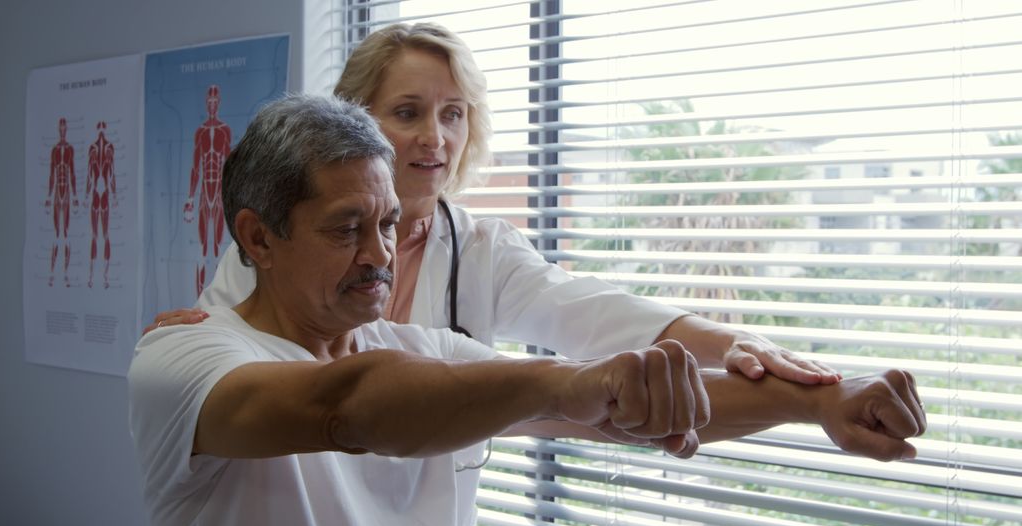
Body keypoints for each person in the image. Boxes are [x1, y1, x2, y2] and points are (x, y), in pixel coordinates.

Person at [128, 93, 926, 526]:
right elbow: (345, 409)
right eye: (345, 231)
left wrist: (814, 404)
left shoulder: (425, 355)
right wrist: (571, 382)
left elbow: (623, 410)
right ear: (258, 238)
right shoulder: (186, 356)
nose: (378, 255)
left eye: (387, 224)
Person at [149, 22, 840, 387]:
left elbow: (598, 315)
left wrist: (745, 348)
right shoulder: (279, 240)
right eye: (408, 111)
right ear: (352, 121)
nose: (435, 137)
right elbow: (224, 356)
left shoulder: (480, 250)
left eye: (454, 114)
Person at [183, 84, 232, 296]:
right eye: (209, 102)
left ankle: (218, 301)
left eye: (215, 102)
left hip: (220, 195)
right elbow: (195, 167)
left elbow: (230, 167)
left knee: (218, 250)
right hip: (204, 193)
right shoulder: (201, 132)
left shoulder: (224, 130)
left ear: (218, 103)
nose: (212, 105)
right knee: (203, 249)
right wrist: (190, 199)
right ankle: (199, 298)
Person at [85, 120, 117, 289]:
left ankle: (104, 276)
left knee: (104, 235)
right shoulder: (93, 149)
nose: (102, 132)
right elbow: (90, 173)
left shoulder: (109, 149)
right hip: (97, 194)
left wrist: (114, 194)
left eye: (104, 128)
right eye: (100, 128)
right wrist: (85, 195)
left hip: (104, 194)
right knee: (95, 236)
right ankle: (91, 275)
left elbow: (111, 173)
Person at [46, 117, 77, 287]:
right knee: (56, 234)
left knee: (66, 233)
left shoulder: (70, 150)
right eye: (61, 128)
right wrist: (48, 196)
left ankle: (65, 273)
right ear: (59, 130)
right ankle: (52, 273)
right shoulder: (55, 150)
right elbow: (52, 173)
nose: (63, 131)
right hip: (57, 191)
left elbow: (72, 173)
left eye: (65, 128)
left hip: (67, 195)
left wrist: (76, 196)